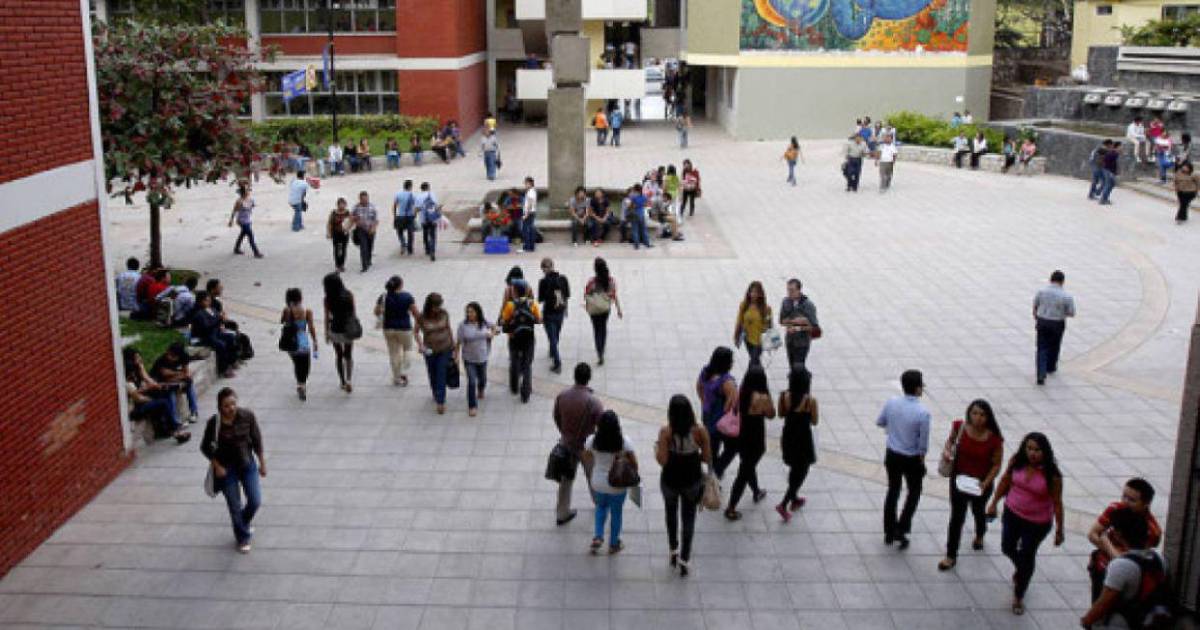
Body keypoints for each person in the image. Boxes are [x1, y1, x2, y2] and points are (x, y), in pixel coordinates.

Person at [986, 432, 1065, 616]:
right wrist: (994, 502)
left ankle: (1019, 594)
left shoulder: (1052, 475)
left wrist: (1060, 529)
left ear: (1045, 451)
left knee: (1028, 555)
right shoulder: (1016, 462)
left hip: (1037, 523)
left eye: (1037, 450)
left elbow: (1057, 503)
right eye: (1029, 448)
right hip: (1012, 513)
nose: (1032, 453)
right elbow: (1005, 481)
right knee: (1007, 547)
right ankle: (1022, 569)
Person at [937, 399, 1004, 571]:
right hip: (959, 480)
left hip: (980, 484)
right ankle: (951, 555)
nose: (978, 418)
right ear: (969, 413)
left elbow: (997, 464)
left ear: (988, 417)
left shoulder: (994, 439)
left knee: (978, 511)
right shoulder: (960, 427)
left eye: (982, 414)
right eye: (974, 413)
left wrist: (986, 483)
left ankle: (980, 533)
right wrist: (947, 451)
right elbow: (950, 441)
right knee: (956, 518)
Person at [1080, 507, 1170, 630]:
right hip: (1152, 619)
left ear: (1118, 535)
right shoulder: (1158, 558)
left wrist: (1086, 621)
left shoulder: (1121, 566)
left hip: (1127, 622)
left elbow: (1103, 604)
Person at [200, 387, 266, 554]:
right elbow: (205, 447)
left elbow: (257, 440)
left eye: (233, 404)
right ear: (219, 407)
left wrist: (262, 463)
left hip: (247, 463)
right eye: (226, 405)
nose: (231, 408)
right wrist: (217, 466)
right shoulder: (214, 423)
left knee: (255, 500)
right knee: (234, 505)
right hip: (226, 468)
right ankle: (242, 537)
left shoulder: (247, 416)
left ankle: (241, 523)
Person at [656, 395, 711, 576]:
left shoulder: (666, 432)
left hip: (670, 480)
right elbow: (706, 457)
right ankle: (685, 559)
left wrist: (658, 450)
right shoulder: (700, 431)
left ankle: (673, 550)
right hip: (692, 481)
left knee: (670, 515)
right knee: (689, 519)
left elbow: (663, 461)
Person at [877, 369, 931, 550]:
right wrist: (921, 459)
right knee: (914, 491)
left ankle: (889, 530)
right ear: (917, 388)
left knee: (893, 489)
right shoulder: (923, 413)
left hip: (892, 454)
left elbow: (880, 421)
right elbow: (923, 444)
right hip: (911, 457)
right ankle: (902, 527)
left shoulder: (892, 402)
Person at [1087, 478, 1162, 602]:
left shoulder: (1152, 531)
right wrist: (1112, 550)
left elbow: (1130, 561)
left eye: (1132, 500)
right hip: (1101, 568)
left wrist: (1107, 543)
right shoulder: (1115, 509)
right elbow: (1092, 534)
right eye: (1124, 496)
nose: (1125, 502)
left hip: (1124, 577)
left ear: (1146, 504)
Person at [717, 365, 775, 520]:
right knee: (744, 472)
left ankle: (756, 491)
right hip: (755, 440)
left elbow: (727, 407)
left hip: (740, 437)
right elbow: (771, 414)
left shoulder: (740, 392)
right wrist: (767, 393)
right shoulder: (761, 398)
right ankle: (731, 508)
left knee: (748, 465)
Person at [553, 363, 603, 525]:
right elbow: (602, 425)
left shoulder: (562, 396)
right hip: (586, 448)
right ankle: (599, 503)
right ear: (589, 378)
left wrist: (565, 434)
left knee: (566, 480)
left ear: (574, 376)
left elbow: (557, 417)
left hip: (567, 445)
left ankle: (562, 513)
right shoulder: (594, 402)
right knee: (593, 476)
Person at [582, 411, 637, 554]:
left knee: (600, 507)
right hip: (617, 484)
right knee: (616, 513)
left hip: (598, 483)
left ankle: (598, 536)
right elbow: (634, 463)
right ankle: (613, 543)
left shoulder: (592, 440)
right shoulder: (624, 442)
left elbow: (586, 457)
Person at [124, 348, 191, 443]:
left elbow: (147, 379)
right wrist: (152, 398)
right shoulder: (127, 382)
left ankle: (169, 429)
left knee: (164, 394)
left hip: (141, 401)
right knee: (163, 403)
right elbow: (139, 398)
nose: (140, 359)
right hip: (135, 409)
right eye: (137, 358)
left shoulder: (136, 371)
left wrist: (156, 385)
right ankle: (176, 431)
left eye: (139, 357)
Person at [500, 279, 541, 403]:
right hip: (529, 338)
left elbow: (504, 320)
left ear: (515, 292)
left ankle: (514, 387)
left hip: (514, 338)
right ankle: (525, 393)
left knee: (514, 361)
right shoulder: (532, 304)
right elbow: (539, 319)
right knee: (527, 365)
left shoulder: (510, 305)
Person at [375, 275, 420, 387]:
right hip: (405, 328)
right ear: (401, 285)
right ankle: (404, 369)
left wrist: (384, 311)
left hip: (388, 328)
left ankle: (397, 378)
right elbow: (415, 313)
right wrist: (419, 324)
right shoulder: (407, 296)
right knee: (408, 349)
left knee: (393, 353)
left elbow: (376, 312)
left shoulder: (383, 297)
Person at [696, 346, 737, 469]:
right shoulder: (727, 382)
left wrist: (704, 402)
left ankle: (712, 467)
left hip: (707, 414)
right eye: (731, 360)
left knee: (712, 444)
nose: (733, 362)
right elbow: (731, 403)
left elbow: (698, 387)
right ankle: (716, 470)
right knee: (731, 447)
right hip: (719, 419)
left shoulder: (706, 372)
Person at [1033, 270, 1076, 385]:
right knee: (1055, 345)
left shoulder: (1041, 292)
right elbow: (1071, 313)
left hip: (1042, 321)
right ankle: (1051, 366)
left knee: (1041, 347)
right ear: (1062, 282)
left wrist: (1036, 316)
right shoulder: (1067, 296)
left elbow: (1035, 305)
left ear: (1050, 279)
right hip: (1057, 323)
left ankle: (1041, 374)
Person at [416, 292, 455, 415]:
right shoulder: (422, 317)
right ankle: (435, 392)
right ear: (429, 306)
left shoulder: (444, 314)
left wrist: (453, 345)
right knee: (432, 373)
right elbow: (416, 332)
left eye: (439, 306)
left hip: (445, 348)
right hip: (430, 350)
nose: (437, 309)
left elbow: (448, 328)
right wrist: (420, 344)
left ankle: (440, 401)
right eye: (435, 306)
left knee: (441, 373)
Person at [456, 302, 494, 417]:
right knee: (472, 382)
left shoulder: (484, 322)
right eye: (467, 312)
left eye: (472, 312)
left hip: (482, 357)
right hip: (469, 358)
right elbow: (458, 341)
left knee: (482, 379)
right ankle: (472, 406)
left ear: (477, 312)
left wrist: (492, 334)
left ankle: (481, 389)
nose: (469, 314)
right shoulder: (463, 326)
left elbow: (495, 327)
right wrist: (456, 355)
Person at [190, 290, 238, 378]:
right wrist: (219, 320)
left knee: (231, 337)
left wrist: (222, 321)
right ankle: (223, 369)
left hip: (216, 333)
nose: (209, 302)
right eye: (206, 300)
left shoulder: (212, 309)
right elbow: (206, 327)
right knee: (221, 345)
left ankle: (232, 361)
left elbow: (218, 319)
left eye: (209, 300)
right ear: (200, 302)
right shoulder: (199, 314)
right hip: (205, 336)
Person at [323, 273, 357, 393]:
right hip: (348, 328)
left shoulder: (327, 299)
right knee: (348, 354)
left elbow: (327, 317)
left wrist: (326, 333)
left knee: (338, 355)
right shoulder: (349, 295)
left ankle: (342, 381)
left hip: (335, 328)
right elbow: (353, 313)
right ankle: (349, 380)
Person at [583, 257, 622, 365]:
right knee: (603, 328)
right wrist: (618, 309)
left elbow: (586, 295)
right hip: (605, 308)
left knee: (596, 330)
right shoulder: (610, 281)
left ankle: (599, 351)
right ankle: (602, 348)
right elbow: (614, 295)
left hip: (594, 309)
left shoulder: (592, 282)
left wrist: (587, 305)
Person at [150, 342, 200, 424]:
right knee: (171, 391)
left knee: (189, 385)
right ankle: (175, 419)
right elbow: (164, 375)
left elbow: (187, 374)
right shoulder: (161, 360)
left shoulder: (184, 357)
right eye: (168, 354)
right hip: (161, 382)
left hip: (174, 380)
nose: (169, 356)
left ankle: (194, 412)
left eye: (172, 355)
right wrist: (179, 374)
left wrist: (179, 377)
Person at [280, 288, 316, 400]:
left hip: (289, 342)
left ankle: (300, 384)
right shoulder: (307, 311)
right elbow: (311, 328)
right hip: (302, 342)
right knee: (305, 366)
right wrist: (315, 341)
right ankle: (302, 385)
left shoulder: (287, 310)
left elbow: (282, 321)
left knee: (297, 363)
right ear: (300, 298)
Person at [537, 257, 570, 374]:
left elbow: (540, 299)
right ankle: (552, 351)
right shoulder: (563, 279)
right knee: (555, 335)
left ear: (543, 269)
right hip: (560, 312)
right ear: (553, 266)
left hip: (549, 313)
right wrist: (566, 309)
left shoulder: (543, 282)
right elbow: (567, 295)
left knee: (552, 337)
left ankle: (557, 363)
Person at [779, 279, 819, 371]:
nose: (789, 293)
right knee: (792, 366)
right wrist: (791, 322)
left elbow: (814, 327)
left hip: (802, 342)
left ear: (799, 290)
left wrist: (799, 327)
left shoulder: (808, 305)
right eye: (788, 290)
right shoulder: (785, 302)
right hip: (790, 341)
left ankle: (803, 379)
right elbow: (781, 321)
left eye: (792, 290)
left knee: (798, 366)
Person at [733, 281, 772, 368]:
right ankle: (759, 375)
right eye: (752, 292)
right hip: (747, 338)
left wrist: (765, 327)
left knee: (753, 361)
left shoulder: (766, 308)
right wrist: (736, 335)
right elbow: (739, 321)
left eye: (756, 292)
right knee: (755, 361)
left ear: (760, 294)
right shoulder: (744, 305)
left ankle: (752, 376)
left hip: (759, 340)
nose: (753, 294)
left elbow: (769, 325)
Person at [227, 186, 263, 258]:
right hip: (241, 221)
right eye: (247, 191)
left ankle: (236, 249)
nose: (249, 192)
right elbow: (234, 211)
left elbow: (253, 205)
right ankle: (256, 252)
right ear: (243, 193)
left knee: (242, 234)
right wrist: (231, 220)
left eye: (248, 191)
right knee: (250, 236)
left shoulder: (250, 199)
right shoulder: (239, 201)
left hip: (247, 220)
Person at [351, 191, 378, 272]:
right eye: (363, 199)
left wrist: (373, 228)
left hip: (370, 229)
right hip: (361, 229)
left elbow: (376, 219)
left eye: (366, 199)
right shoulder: (356, 207)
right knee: (363, 247)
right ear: (360, 199)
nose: (365, 200)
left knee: (370, 246)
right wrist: (355, 218)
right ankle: (364, 265)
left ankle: (368, 259)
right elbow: (351, 216)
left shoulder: (372, 207)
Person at [415, 182, 441, 261]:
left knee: (425, 234)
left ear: (421, 188)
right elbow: (436, 207)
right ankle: (432, 251)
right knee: (432, 235)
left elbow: (417, 209)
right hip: (432, 218)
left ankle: (427, 249)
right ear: (428, 187)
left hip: (423, 218)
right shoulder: (432, 195)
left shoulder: (418, 196)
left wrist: (415, 215)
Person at [390, 179, 416, 255]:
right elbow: (415, 205)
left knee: (400, 231)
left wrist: (395, 215)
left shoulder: (398, 194)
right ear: (410, 186)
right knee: (410, 233)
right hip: (409, 216)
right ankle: (410, 248)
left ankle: (403, 244)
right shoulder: (412, 195)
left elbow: (394, 205)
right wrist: (415, 214)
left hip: (400, 215)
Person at [326, 198, 352, 272]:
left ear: (345, 205)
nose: (342, 206)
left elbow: (351, 222)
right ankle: (337, 265)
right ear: (337, 205)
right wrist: (329, 232)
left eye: (343, 204)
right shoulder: (333, 213)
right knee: (336, 249)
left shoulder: (348, 213)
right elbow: (329, 223)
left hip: (344, 233)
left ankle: (342, 264)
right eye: (340, 204)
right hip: (336, 233)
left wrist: (348, 228)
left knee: (343, 249)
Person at [624, 184, 651, 250]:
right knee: (644, 230)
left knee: (635, 230)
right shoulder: (644, 197)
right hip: (641, 214)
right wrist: (641, 205)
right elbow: (646, 204)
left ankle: (636, 245)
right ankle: (647, 243)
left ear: (635, 190)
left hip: (634, 215)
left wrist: (632, 207)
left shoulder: (633, 197)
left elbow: (630, 206)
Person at [1100, 141, 1122, 205]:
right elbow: (1107, 161)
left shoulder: (1115, 153)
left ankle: (1105, 198)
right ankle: (1103, 200)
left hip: (1109, 171)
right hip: (1108, 171)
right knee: (1108, 184)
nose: (1122, 148)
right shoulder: (1113, 153)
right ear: (1117, 147)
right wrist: (1111, 172)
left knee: (1111, 184)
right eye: (1121, 146)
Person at [522, 177, 538, 252]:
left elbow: (530, 204)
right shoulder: (532, 191)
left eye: (526, 183)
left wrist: (526, 215)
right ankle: (531, 247)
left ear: (530, 183)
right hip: (531, 213)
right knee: (530, 230)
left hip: (529, 213)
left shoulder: (530, 192)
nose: (525, 185)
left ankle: (527, 247)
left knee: (526, 230)